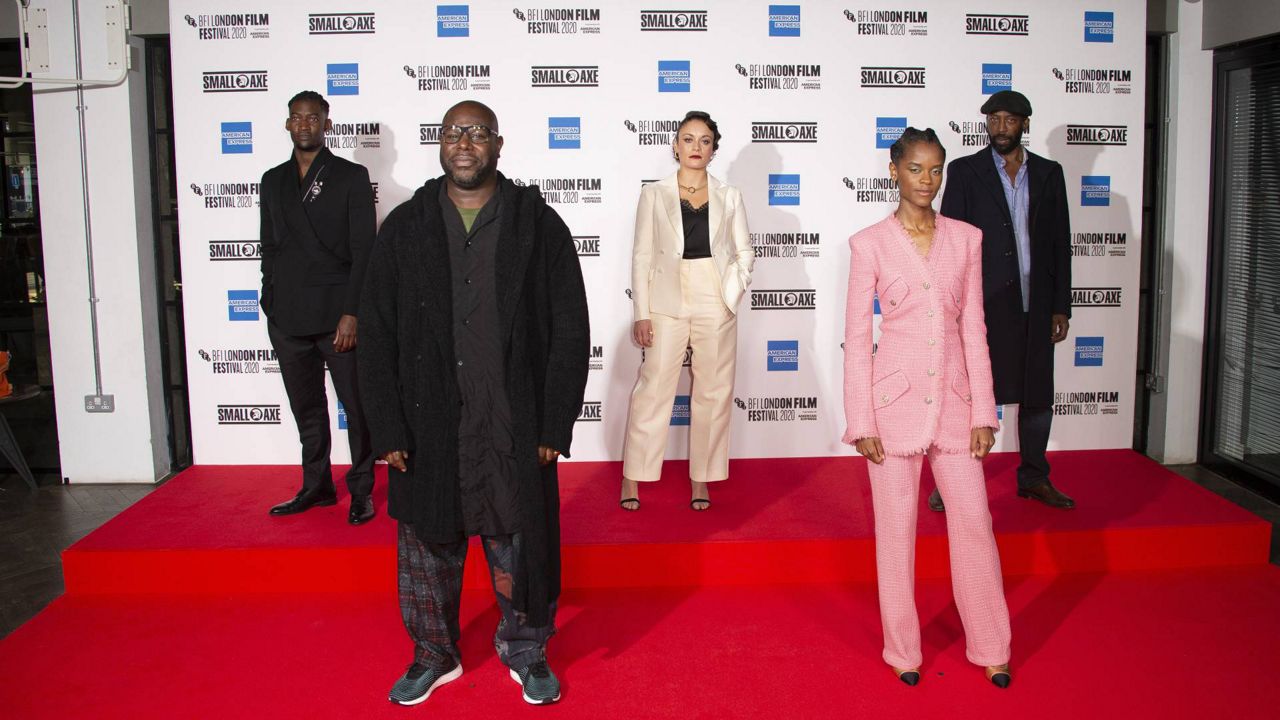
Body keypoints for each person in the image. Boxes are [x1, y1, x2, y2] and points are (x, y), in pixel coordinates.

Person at [358, 100, 589, 707]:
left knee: (520, 538)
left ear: (498, 144)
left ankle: (527, 649)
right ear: (439, 143)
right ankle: (434, 654)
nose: (465, 143)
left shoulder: (538, 226)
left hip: (512, 420)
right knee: (427, 545)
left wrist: (553, 422)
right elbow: (376, 334)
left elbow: (570, 328)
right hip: (427, 420)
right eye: (454, 132)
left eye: (478, 132)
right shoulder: (405, 228)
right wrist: (386, 428)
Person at [843, 128, 1012, 687]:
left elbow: (975, 329)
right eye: (916, 169)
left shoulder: (967, 239)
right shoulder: (868, 243)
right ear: (894, 171)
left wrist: (984, 412)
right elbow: (856, 337)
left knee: (975, 524)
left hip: (958, 406)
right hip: (891, 408)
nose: (927, 181)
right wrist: (861, 421)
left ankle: (991, 643)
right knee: (895, 533)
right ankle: (904, 652)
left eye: (936, 170)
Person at [930, 90, 1075, 511]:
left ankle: (1033, 477)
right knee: (972, 394)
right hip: (984, 303)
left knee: (1037, 395)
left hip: (1038, 301)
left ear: (1024, 125)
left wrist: (1061, 305)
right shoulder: (965, 171)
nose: (1000, 128)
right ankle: (953, 479)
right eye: (994, 119)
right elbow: (951, 241)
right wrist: (953, 307)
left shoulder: (1050, 173)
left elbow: (1060, 242)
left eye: (1010, 120)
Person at [620, 110, 753, 512]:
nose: (696, 147)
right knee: (654, 387)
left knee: (713, 390)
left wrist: (729, 295)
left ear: (714, 149)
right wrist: (642, 311)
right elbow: (642, 256)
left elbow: (745, 252)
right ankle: (633, 475)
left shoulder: (730, 196)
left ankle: (703, 478)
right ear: (675, 146)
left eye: (704, 140)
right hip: (665, 298)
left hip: (714, 296)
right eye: (688, 139)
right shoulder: (654, 194)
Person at [260, 90, 377, 525]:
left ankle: (361, 490)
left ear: (327, 124)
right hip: (287, 315)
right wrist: (267, 296)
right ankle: (317, 485)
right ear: (287, 124)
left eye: (313, 117)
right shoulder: (272, 180)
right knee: (306, 408)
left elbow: (365, 248)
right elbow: (268, 245)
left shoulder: (350, 175)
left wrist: (353, 312)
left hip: (336, 314)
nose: (305, 124)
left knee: (357, 406)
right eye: (297, 117)